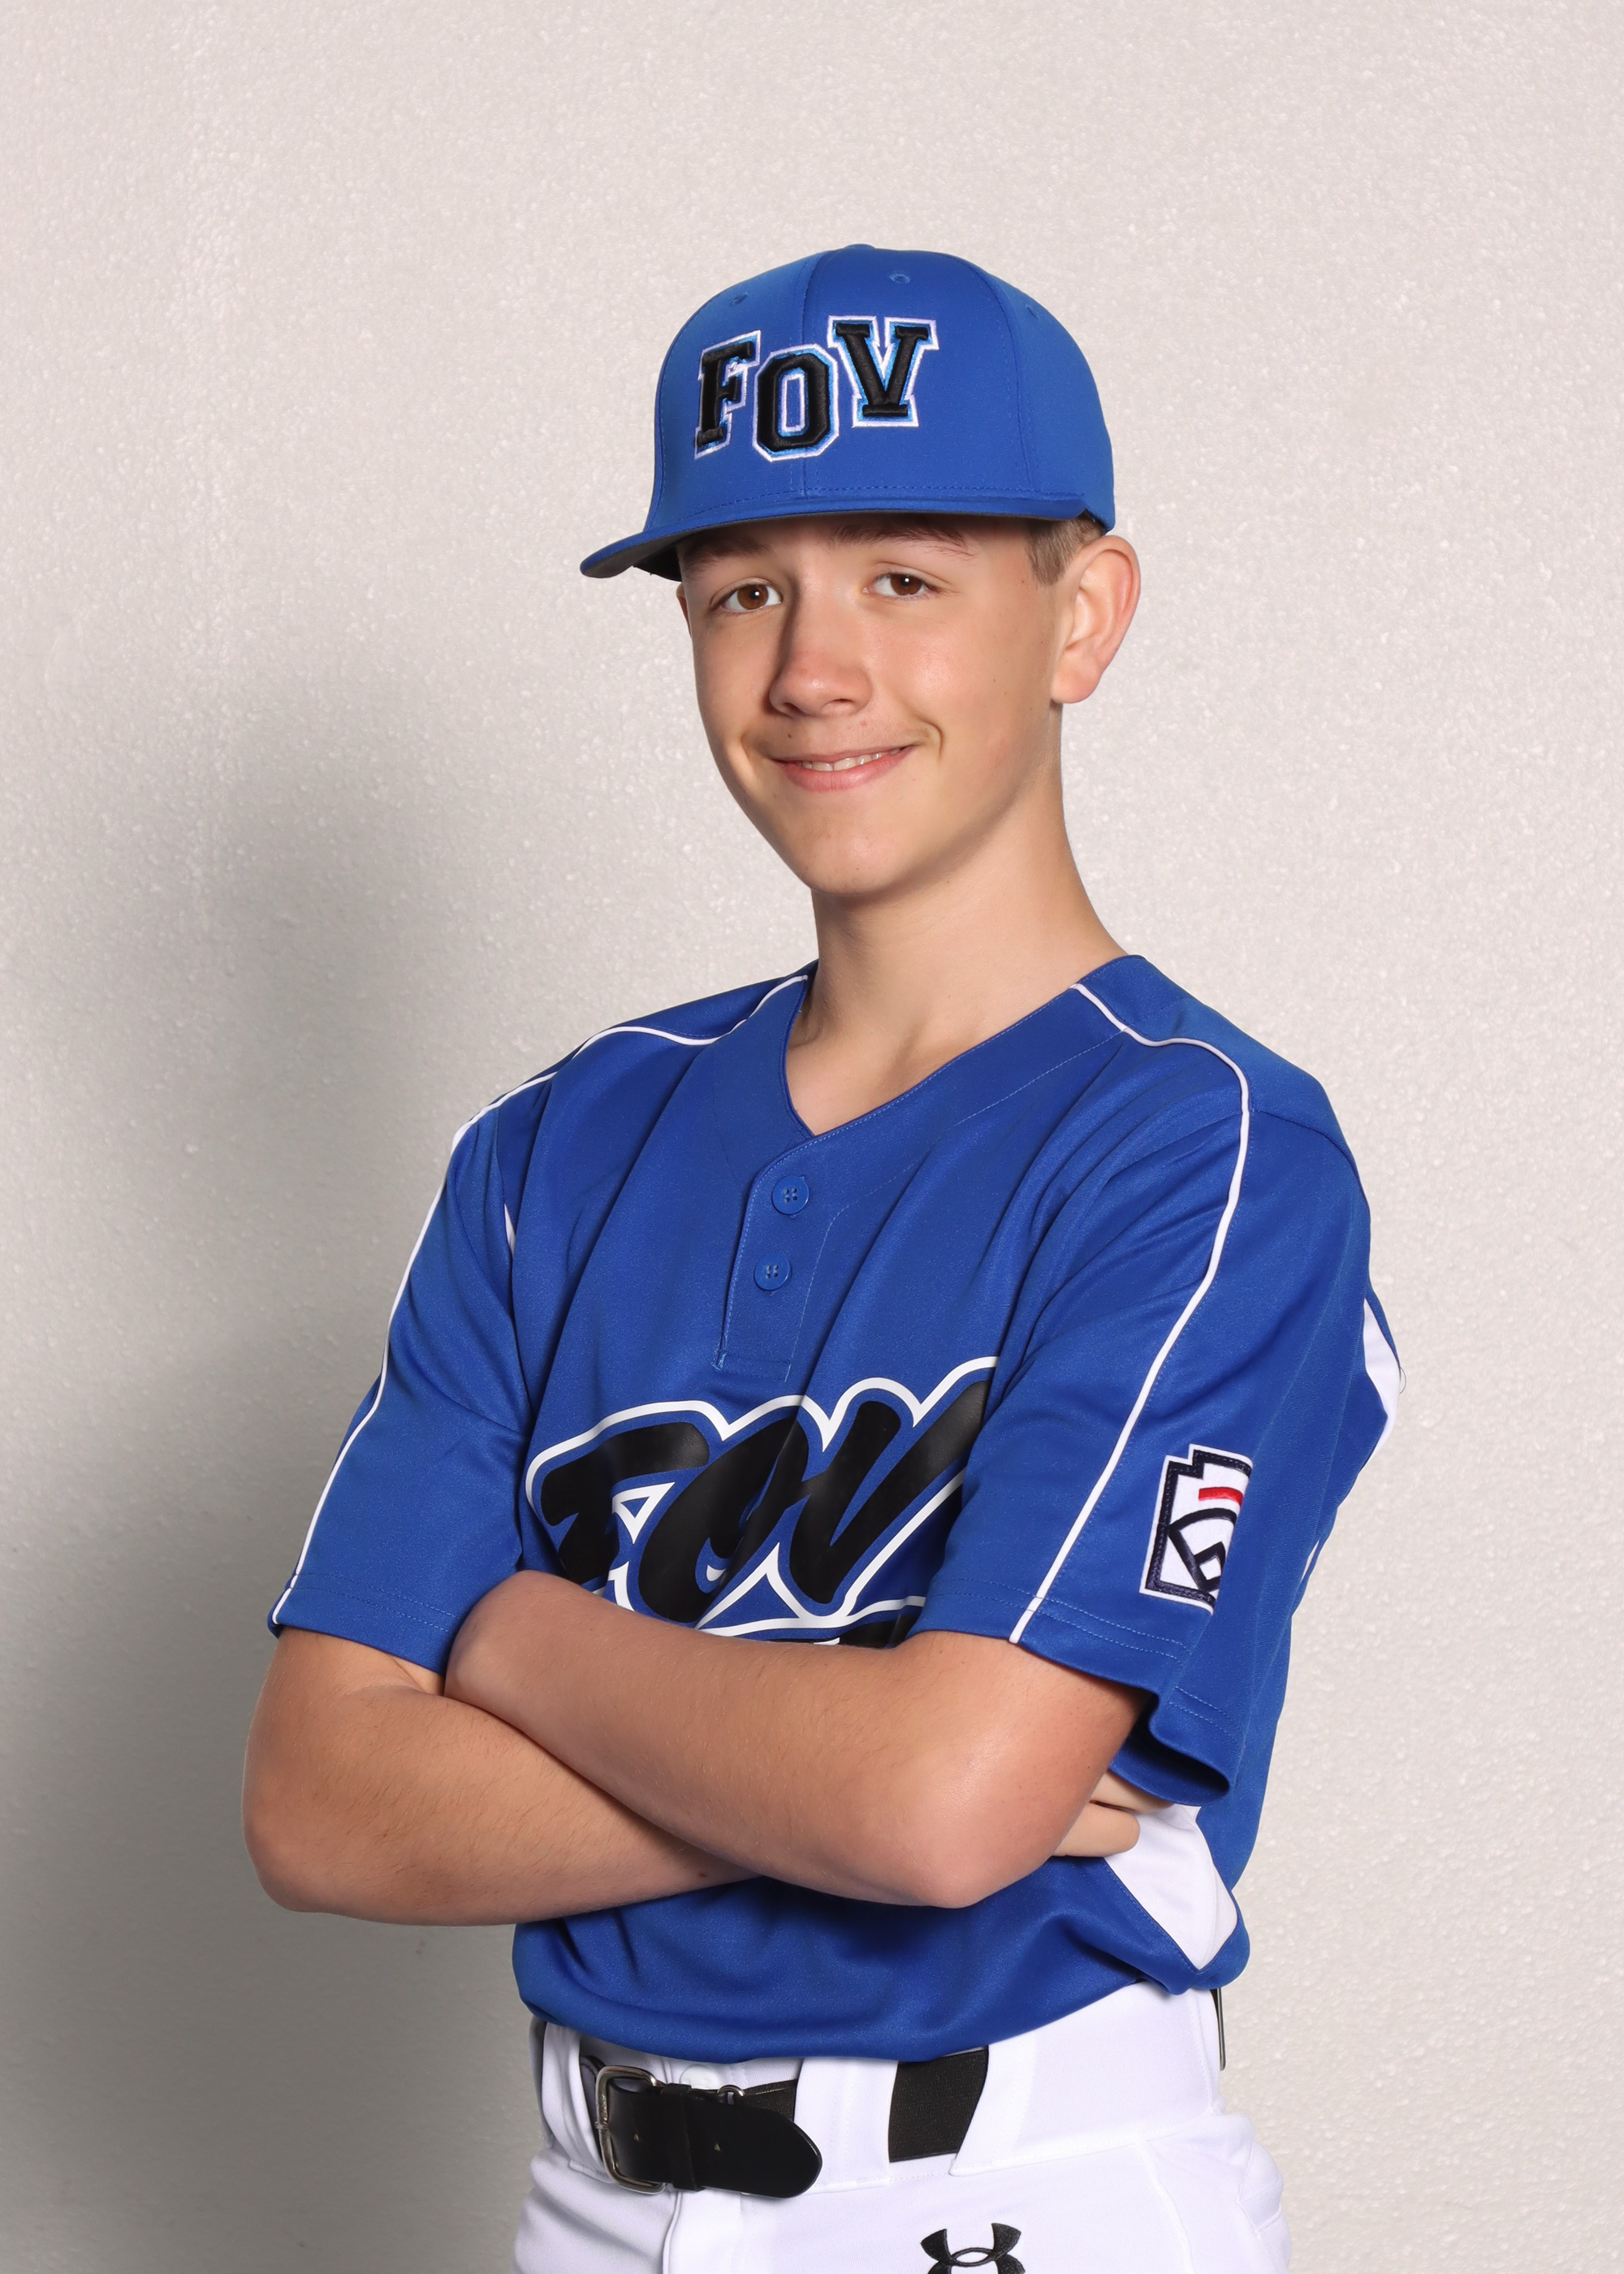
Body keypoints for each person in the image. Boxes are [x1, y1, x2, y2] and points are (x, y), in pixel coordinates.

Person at [244, 243, 1401, 2274]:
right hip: (588, 2199)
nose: (811, 668)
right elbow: (319, 1803)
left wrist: (503, 1636)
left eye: (904, 577)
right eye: (741, 590)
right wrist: (857, 1758)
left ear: (1082, 613)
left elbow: (945, 1806)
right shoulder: (549, 1151)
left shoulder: (1205, 1148)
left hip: (1013, 2189)